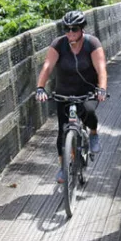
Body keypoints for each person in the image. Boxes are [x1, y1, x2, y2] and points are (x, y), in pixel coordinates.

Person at [34, 10, 109, 183]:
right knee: (62, 132)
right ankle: (63, 168)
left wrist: (102, 89)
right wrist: (40, 88)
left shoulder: (92, 43)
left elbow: (101, 69)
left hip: (88, 91)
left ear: (82, 29)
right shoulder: (59, 44)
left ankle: (93, 133)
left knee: (89, 112)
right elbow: (47, 66)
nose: (70, 33)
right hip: (64, 92)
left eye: (74, 29)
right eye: (66, 29)